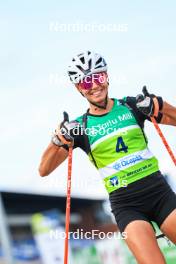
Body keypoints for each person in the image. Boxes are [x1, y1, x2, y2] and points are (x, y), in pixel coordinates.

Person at [39, 51, 176, 264]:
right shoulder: (80, 128)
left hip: (160, 194)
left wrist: (160, 104)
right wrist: (56, 140)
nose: (94, 85)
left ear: (107, 77)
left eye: (98, 77)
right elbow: (43, 170)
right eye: (86, 82)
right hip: (127, 206)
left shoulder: (132, 106)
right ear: (78, 88)